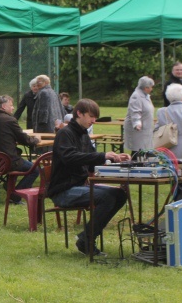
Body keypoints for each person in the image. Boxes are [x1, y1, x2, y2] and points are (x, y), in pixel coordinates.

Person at [47, 99, 130, 256]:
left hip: (78, 187)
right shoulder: (65, 133)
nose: (94, 121)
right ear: (79, 113)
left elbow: (91, 163)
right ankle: (86, 240)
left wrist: (114, 159)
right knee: (107, 197)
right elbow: (70, 157)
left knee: (120, 195)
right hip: (63, 191)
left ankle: (86, 237)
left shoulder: (83, 135)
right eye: (91, 116)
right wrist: (102, 155)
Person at [0, 95, 41, 203]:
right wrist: (36, 140)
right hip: (7, 161)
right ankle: (15, 194)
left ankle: (9, 186)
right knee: (35, 169)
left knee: (19, 162)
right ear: (4, 106)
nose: (13, 108)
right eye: (11, 105)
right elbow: (25, 140)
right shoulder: (9, 120)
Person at [123, 76, 155, 158]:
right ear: (145, 87)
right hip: (138, 129)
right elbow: (135, 111)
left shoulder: (146, 95)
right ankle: (135, 165)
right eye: (151, 87)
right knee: (138, 150)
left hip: (146, 128)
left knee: (145, 149)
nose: (152, 89)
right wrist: (137, 122)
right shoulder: (136, 96)